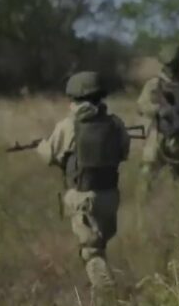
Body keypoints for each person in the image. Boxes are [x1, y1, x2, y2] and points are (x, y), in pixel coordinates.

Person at [36, 71, 130, 290]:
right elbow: (123, 152)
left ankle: (110, 294)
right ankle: (99, 289)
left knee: (91, 252)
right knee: (100, 245)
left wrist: (40, 146)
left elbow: (49, 155)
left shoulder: (68, 125)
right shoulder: (115, 123)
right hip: (110, 195)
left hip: (83, 197)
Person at [137, 44, 179, 182]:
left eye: (175, 64)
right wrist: (158, 109)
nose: (172, 68)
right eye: (170, 65)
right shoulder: (154, 84)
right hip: (157, 136)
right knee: (147, 175)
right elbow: (141, 106)